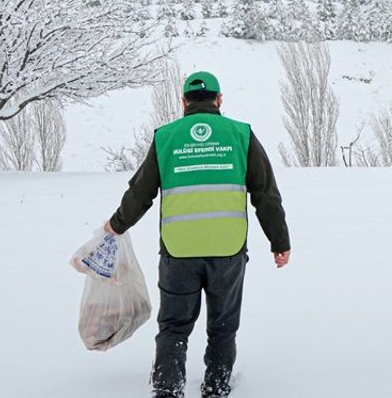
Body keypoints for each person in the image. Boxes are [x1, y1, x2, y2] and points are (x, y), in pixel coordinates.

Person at [104, 71, 291, 398]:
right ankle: (216, 388)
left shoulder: (166, 137)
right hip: (228, 250)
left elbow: (140, 193)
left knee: (174, 326)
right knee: (223, 327)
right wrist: (280, 242)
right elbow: (265, 194)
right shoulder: (241, 135)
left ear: (183, 102)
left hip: (178, 250)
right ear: (219, 100)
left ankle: (167, 389)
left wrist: (117, 225)